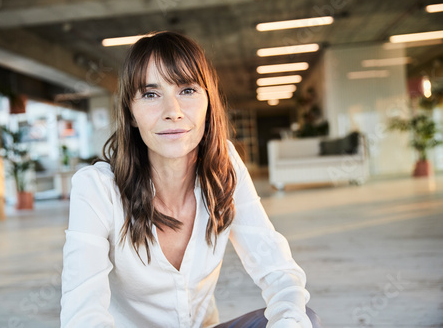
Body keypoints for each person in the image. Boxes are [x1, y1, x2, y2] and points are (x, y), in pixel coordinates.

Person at [60, 31, 321, 328]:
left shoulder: (225, 167)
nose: (173, 112)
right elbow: (82, 313)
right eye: (150, 94)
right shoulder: (96, 188)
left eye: (187, 90)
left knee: (303, 318)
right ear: (130, 113)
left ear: (208, 102)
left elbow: (278, 270)